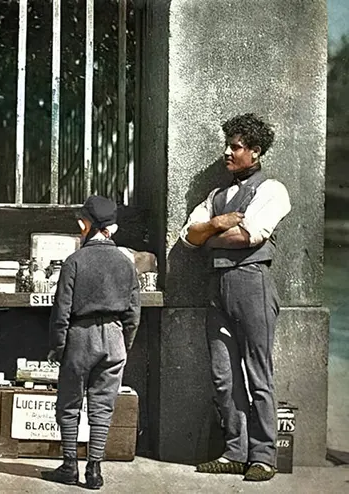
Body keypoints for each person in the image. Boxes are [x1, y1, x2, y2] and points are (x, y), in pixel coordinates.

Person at [179, 113, 291, 481]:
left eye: (236, 146)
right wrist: (215, 224)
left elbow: (250, 235)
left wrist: (207, 238)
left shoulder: (272, 189)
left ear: (255, 152)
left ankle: (263, 456)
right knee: (223, 375)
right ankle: (234, 451)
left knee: (258, 374)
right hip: (218, 289)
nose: (227, 152)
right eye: (227, 145)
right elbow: (187, 237)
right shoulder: (217, 197)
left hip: (251, 283)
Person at [42, 195, 141, 489]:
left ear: (86, 225)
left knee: (70, 403)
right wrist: (124, 344)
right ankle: (95, 470)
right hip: (114, 338)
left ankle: (70, 466)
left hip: (80, 337)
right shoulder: (126, 263)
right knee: (103, 405)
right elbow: (133, 313)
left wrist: (59, 347)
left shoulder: (74, 262)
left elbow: (61, 311)